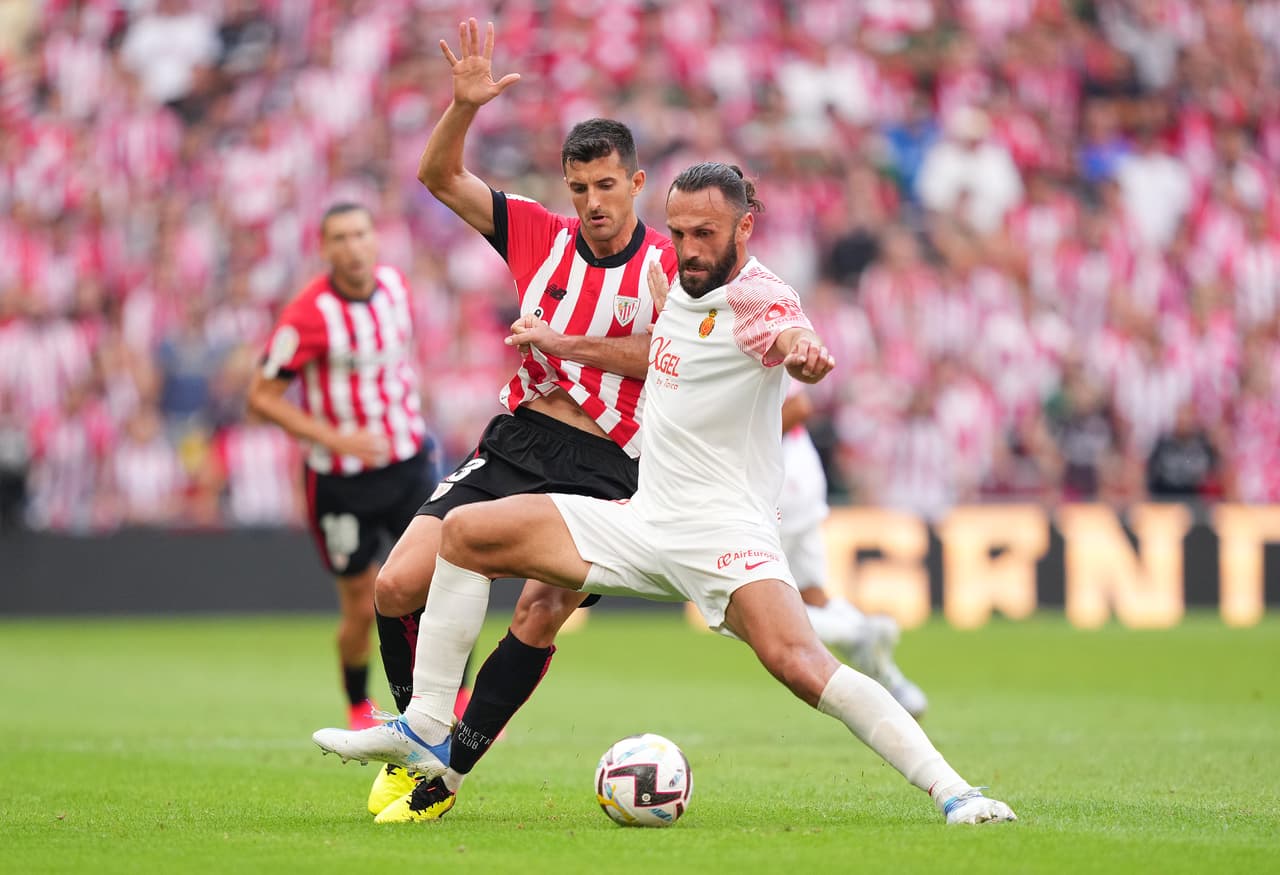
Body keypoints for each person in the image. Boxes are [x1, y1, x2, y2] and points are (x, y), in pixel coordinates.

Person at [314, 162, 1017, 827]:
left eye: (704, 233)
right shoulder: (670, 279)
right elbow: (652, 341)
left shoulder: (761, 298)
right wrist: (561, 341)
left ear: (744, 229)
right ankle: (428, 728)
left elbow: (788, 333)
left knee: (801, 664)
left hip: (723, 533)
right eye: (677, 231)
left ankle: (954, 790)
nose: (687, 247)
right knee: (467, 533)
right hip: (642, 517)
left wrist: (804, 351)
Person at [362, 18, 677, 817]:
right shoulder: (539, 231)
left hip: (610, 461)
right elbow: (439, 175)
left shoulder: (666, 264)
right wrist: (463, 106)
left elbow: (668, 360)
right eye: (581, 188)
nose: (594, 203)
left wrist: (568, 340)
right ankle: (418, 734)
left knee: (539, 610)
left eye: (608, 186)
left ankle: (445, 778)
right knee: (395, 585)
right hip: (518, 440)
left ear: (636, 183)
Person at [247, 202, 440, 731]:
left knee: (434, 587)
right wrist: (338, 438)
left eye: (360, 234)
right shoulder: (308, 314)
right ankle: (359, 706)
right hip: (339, 480)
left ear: (375, 240)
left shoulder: (397, 288)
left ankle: (454, 701)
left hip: (408, 466)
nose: (353, 246)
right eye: (340, 238)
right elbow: (261, 397)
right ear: (325, 248)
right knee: (361, 604)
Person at [780, 385, 928, 719]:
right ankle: (892, 684)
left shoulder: (740, 332)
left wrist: (735, 447)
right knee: (812, 597)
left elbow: (798, 405)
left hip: (775, 473)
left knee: (745, 604)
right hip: (797, 470)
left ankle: (857, 631)